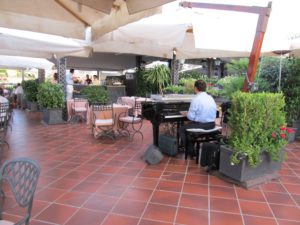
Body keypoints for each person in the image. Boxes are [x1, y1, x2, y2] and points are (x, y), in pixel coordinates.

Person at [179, 80, 217, 156]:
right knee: (191, 125)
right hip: (212, 124)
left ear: (195, 88)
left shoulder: (196, 99)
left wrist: (186, 114)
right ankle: (190, 147)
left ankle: (190, 151)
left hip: (203, 125)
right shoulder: (210, 97)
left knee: (182, 129)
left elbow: (190, 117)